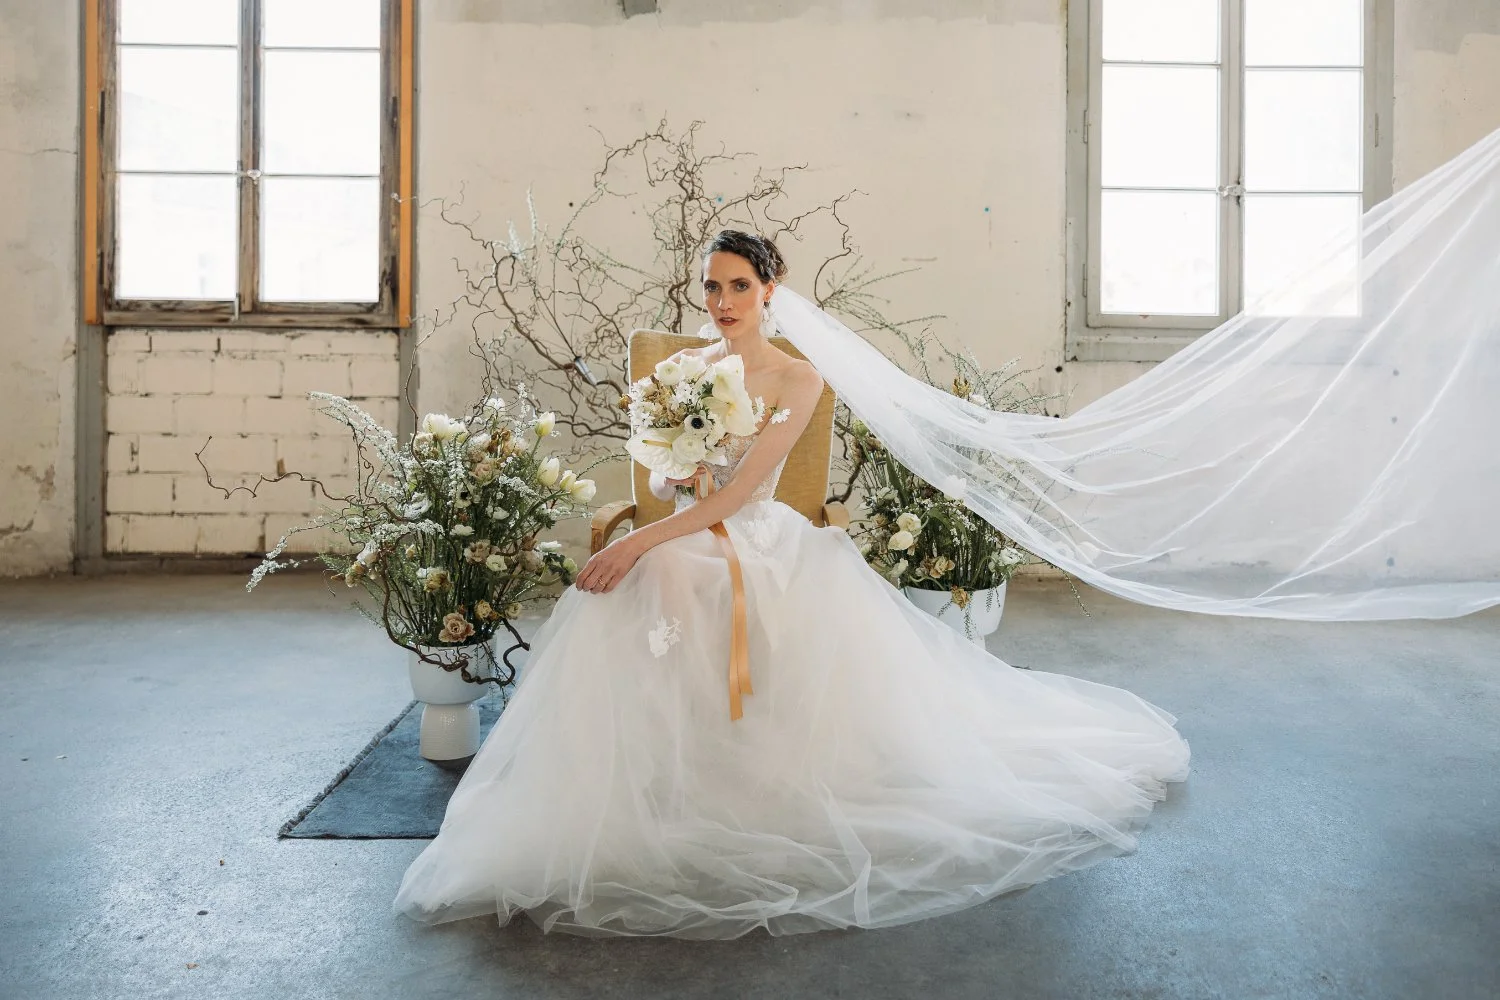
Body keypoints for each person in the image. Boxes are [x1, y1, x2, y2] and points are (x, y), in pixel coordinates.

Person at [392, 230, 1191, 939]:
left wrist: (641, 538)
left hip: (759, 535)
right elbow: (670, 484)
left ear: (771, 290)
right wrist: (676, 471)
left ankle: (714, 761)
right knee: (647, 572)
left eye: (740, 285)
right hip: (689, 525)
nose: (724, 300)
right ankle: (656, 760)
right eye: (712, 285)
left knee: (657, 561)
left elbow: (740, 499)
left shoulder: (795, 380)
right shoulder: (679, 370)